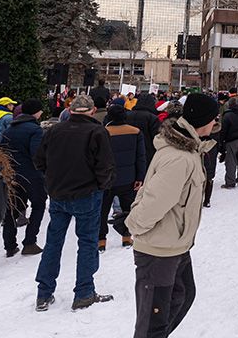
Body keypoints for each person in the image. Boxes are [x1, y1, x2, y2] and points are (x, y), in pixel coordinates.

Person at [122, 94, 219, 338]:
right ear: (202, 121)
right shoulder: (179, 157)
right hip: (159, 249)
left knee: (183, 296)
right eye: (213, 118)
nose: (216, 122)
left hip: (176, 245)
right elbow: (155, 202)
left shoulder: (188, 151)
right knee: (154, 315)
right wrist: (132, 226)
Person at [33, 94, 116, 312]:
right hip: (86, 195)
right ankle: (84, 292)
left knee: (53, 242)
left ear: (70, 111)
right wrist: (100, 186)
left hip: (59, 194)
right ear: (91, 111)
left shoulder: (54, 131)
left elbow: (39, 161)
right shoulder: (97, 131)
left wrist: (52, 180)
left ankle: (44, 293)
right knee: (87, 243)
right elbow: (105, 166)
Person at [0, 98, 47, 258]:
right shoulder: (35, 130)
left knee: (12, 208)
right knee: (39, 205)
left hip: (13, 174)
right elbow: (37, 154)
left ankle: (9, 245)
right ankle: (30, 242)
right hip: (31, 175)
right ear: (36, 112)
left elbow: (2, 153)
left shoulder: (9, 129)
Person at [99, 104, 146, 251]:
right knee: (128, 209)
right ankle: (126, 237)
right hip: (129, 178)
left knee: (102, 211)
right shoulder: (135, 132)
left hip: (106, 179)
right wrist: (140, 177)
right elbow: (141, 157)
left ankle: (101, 240)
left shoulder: (102, 132)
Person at [126, 92, 161, 174]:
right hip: (147, 152)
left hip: (129, 151)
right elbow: (157, 137)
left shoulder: (126, 115)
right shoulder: (153, 118)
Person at [219, 97, 238, 189]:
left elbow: (223, 130)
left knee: (231, 162)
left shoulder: (227, 115)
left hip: (231, 140)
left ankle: (230, 182)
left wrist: (221, 141)